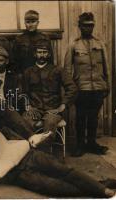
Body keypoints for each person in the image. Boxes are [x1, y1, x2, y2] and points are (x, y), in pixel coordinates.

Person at [0, 110, 115, 198]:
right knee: (54, 187)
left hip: (31, 156)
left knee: (64, 170)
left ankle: (102, 190)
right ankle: (99, 185)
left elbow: (23, 142)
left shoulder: (2, 131)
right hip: (19, 174)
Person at [64, 12, 110, 157]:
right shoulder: (74, 45)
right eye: (85, 26)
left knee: (93, 117)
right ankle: (80, 145)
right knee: (80, 117)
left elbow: (106, 67)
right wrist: (70, 89)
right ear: (79, 26)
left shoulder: (100, 44)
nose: (88, 29)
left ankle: (91, 144)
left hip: (97, 88)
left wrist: (106, 85)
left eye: (90, 26)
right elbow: (67, 69)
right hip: (81, 89)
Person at [0, 46, 40, 140]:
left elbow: (19, 95)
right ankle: (32, 136)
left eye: (0, 61)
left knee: (9, 128)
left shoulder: (14, 77)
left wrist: (26, 106)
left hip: (9, 110)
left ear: (6, 61)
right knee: (3, 106)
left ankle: (28, 142)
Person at [23, 39, 77, 145]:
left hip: (53, 110)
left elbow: (72, 87)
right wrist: (28, 106)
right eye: (39, 52)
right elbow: (23, 92)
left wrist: (63, 105)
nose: (42, 55)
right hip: (35, 109)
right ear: (35, 54)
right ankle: (30, 152)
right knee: (25, 120)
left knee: (50, 123)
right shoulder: (28, 72)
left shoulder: (57, 70)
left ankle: (46, 153)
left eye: (44, 52)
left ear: (48, 54)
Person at [13, 10, 53, 75]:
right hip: (24, 73)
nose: (30, 25)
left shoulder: (44, 38)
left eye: (33, 22)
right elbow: (15, 60)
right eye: (28, 22)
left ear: (38, 23)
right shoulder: (19, 39)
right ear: (25, 23)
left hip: (41, 74)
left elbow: (50, 59)